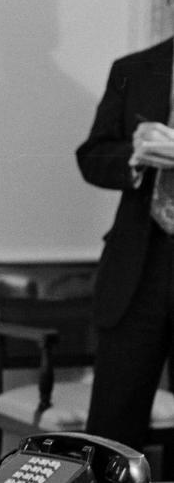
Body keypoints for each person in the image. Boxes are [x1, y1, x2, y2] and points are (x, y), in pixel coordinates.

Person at [76, 37, 174, 450]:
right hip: (139, 269)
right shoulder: (132, 69)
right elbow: (92, 155)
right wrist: (133, 156)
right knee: (112, 432)